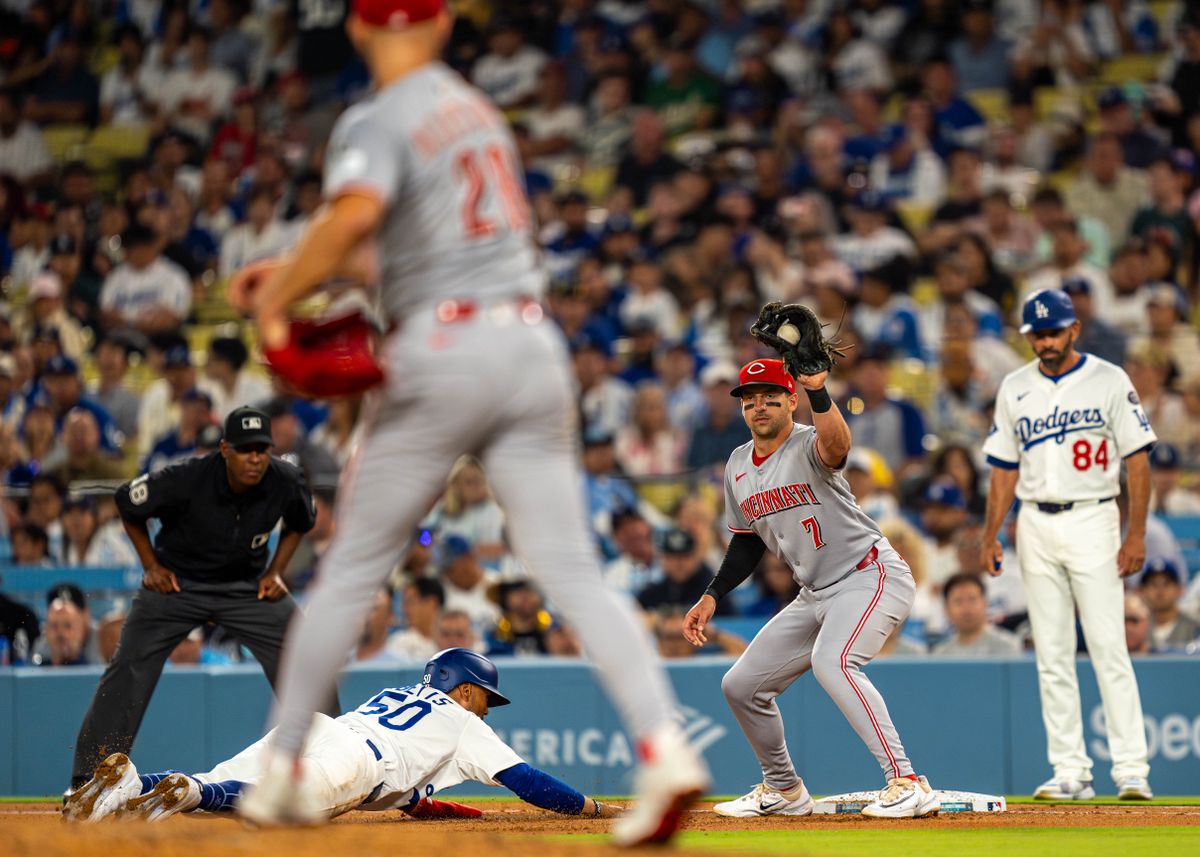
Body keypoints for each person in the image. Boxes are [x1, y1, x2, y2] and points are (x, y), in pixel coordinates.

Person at [232, 3, 709, 843]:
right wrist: (308, 267)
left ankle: (282, 773)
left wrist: (276, 296)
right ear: (444, 24)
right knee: (573, 570)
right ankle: (666, 746)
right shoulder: (479, 112)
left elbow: (351, 216)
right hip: (531, 345)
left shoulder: (378, 115)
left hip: (441, 347)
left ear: (358, 28)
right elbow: (407, 245)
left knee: (350, 572)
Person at [683, 358, 939, 820]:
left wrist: (821, 392)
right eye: (749, 399)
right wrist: (712, 594)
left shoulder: (809, 441)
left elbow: (838, 446)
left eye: (770, 396)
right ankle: (784, 790)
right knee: (741, 685)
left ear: (791, 399)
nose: (759, 406)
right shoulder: (738, 463)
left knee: (834, 662)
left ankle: (906, 781)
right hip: (814, 593)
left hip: (870, 573)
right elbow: (745, 543)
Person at [67, 406, 319, 793]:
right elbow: (126, 501)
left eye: (261, 449)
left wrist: (276, 571)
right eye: (244, 448)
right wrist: (150, 564)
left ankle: (340, 762)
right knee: (129, 665)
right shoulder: (186, 477)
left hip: (246, 587)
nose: (255, 457)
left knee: (305, 652)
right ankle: (92, 779)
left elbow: (301, 522)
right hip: (178, 586)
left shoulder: (285, 479)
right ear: (224, 449)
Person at [65, 648, 623, 823]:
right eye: (484, 696)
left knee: (226, 777)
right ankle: (185, 793)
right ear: (464, 690)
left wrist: (454, 812)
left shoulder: (399, 696)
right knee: (277, 805)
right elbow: (527, 782)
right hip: (359, 760)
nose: (486, 709)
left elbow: (413, 802)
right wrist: (592, 806)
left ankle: (119, 788)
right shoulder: (460, 722)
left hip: (320, 727)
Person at [980, 288, 1156, 802]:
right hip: (1035, 522)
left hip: (1094, 516)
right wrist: (992, 532)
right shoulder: (1015, 386)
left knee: (1108, 647)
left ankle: (1131, 769)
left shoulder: (1108, 378)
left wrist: (1136, 532)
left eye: (1053, 331)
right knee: (1052, 651)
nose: (1046, 341)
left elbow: (1138, 461)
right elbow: (1002, 469)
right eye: (1037, 334)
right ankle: (1070, 771)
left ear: (1074, 328)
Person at [931, 573, 1022, 657]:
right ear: (946, 609)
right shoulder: (941, 654)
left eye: (972, 599)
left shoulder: (1007, 647)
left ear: (985, 603)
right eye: (958, 601)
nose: (966, 608)